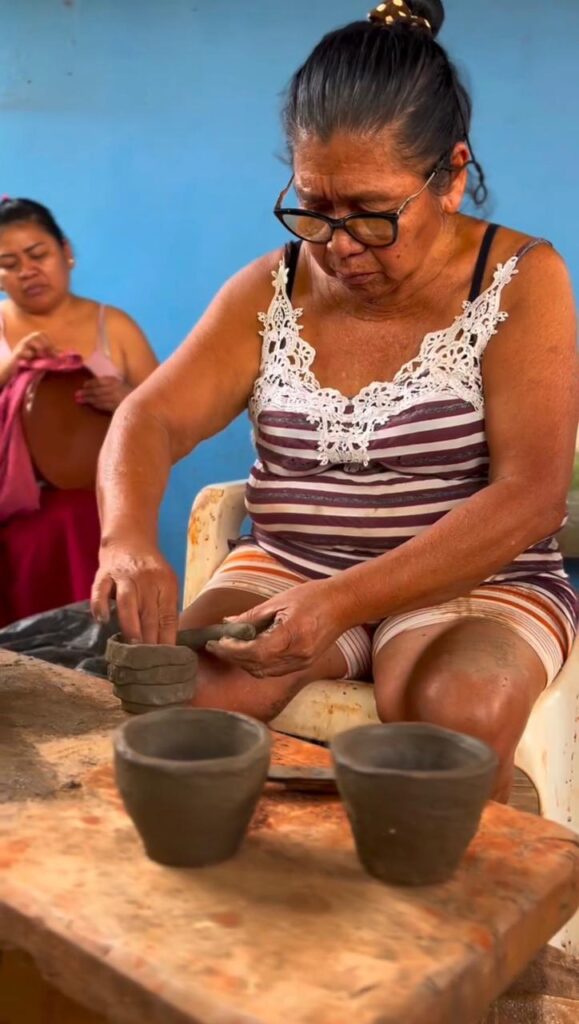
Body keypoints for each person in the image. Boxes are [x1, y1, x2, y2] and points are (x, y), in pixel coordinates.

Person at [93, 0, 578, 801]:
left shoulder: (522, 279)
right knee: (179, 702)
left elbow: (531, 497)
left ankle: (442, 883)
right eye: (313, 208)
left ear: (451, 176)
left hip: (474, 580)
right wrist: (127, 542)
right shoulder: (269, 287)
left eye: (370, 214)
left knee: (451, 721)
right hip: (291, 565)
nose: (338, 244)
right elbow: (150, 416)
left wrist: (343, 602)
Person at [0, 197, 158, 624]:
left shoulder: (114, 326)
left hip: (100, 508)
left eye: (38, 255)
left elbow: (172, 414)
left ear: (66, 251)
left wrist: (126, 398)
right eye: (8, 264)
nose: (27, 271)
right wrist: (9, 370)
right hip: (10, 514)